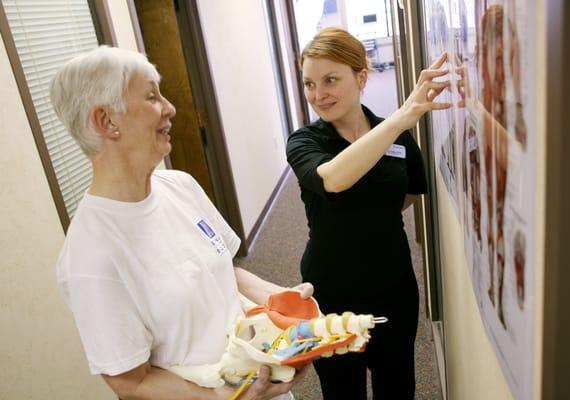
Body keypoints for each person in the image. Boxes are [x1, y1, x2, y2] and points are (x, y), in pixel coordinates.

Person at [51, 45, 312, 400]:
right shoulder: (90, 257)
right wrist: (226, 399)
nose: (170, 108)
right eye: (151, 96)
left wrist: (282, 299)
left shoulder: (180, 185)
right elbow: (132, 383)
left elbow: (221, 271)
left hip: (261, 383)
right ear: (107, 121)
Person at [286, 27, 451, 399]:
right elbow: (332, 179)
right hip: (331, 291)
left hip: (393, 285)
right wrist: (399, 120)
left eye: (330, 79)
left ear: (361, 77)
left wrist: (369, 216)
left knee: (397, 385)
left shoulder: (395, 137)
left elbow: (410, 190)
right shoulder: (305, 141)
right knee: (342, 390)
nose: (318, 94)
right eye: (310, 83)